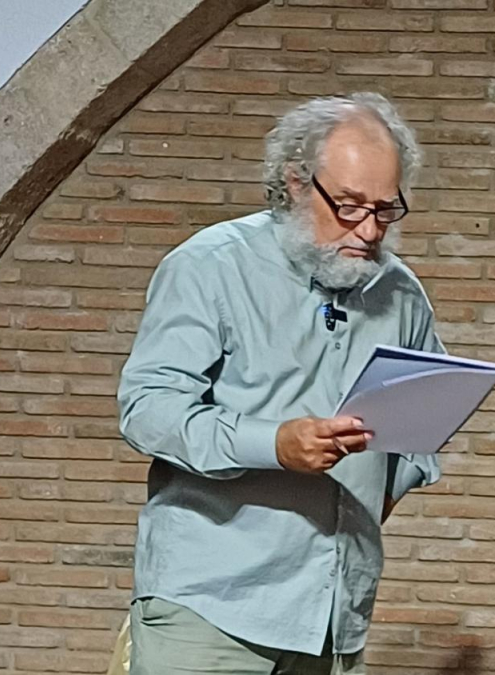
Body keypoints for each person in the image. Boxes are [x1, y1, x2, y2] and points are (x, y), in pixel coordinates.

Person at [117, 92, 443, 674]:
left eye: (385, 208)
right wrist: (273, 444)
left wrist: (374, 495)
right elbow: (148, 409)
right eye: (347, 206)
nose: (369, 230)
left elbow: (418, 433)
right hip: (212, 608)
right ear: (295, 183)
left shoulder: (400, 293)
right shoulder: (209, 267)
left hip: (334, 617)